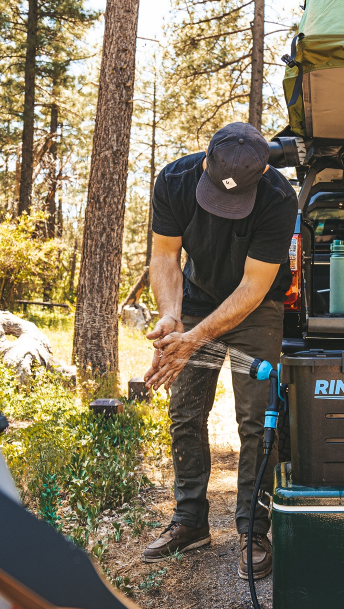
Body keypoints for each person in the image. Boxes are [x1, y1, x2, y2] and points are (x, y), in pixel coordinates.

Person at [140, 122, 297, 581]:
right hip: (195, 298)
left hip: (257, 308)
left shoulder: (278, 198)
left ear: (262, 171)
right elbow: (165, 257)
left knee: (257, 420)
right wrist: (172, 317)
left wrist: (197, 338)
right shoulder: (173, 180)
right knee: (185, 412)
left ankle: (254, 528)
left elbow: (253, 285)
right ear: (206, 159)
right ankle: (190, 521)